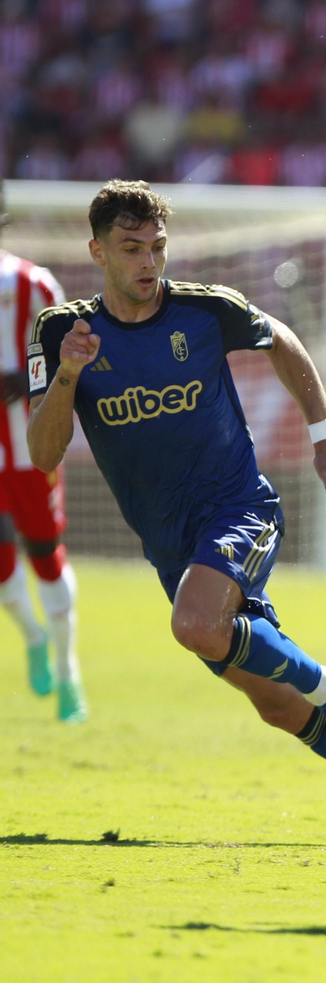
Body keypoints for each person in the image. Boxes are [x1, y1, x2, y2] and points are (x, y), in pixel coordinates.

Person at [27, 179, 326, 848]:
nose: (149, 261)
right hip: (169, 545)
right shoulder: (62, 332)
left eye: (157, 246)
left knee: (196, 625)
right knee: (278, 706)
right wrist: (68, 375)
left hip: (239, 508)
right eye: (132, 248)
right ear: (97, 251)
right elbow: (43, 452)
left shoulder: (204, 310)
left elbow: (282, 339)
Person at [0, 183, 84, 721]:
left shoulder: (34, 283)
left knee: (46, 557)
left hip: (30, 450)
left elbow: (64, 351)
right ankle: (33, 635)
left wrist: (28, 381)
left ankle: (68, 670)